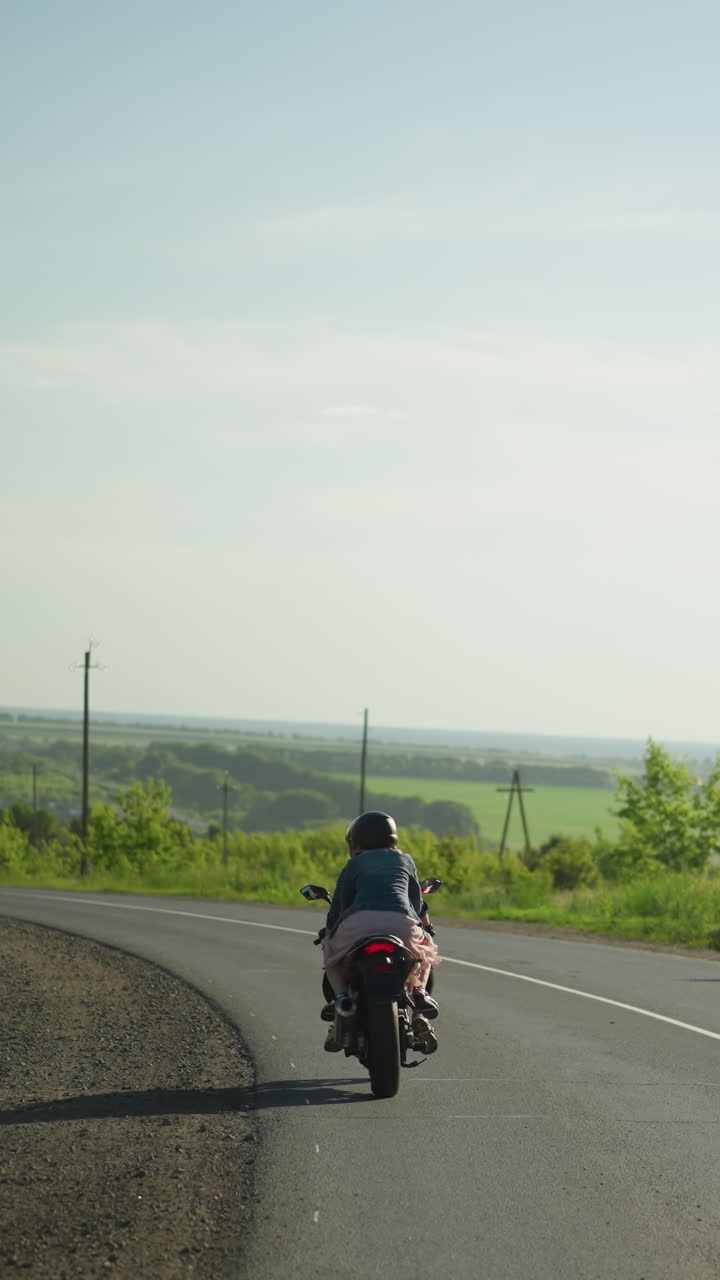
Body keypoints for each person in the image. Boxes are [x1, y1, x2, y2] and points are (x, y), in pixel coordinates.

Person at [320, 811, 440, 1051]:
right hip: (400, 923)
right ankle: (419, 994)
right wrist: (425, 928)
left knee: (331, 958)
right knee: (424, 953)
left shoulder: (354, 865)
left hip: (358, 923)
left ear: (355, 841)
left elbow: (340, 904)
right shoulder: (405, 861)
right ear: (392, 837)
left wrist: (329, 931)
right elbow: (416, 904)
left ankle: (342, 1000)